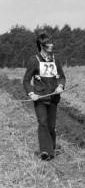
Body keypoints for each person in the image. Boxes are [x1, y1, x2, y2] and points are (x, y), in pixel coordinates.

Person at [23, 31, 66, 161]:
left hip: (53, 98)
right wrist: (31, 93)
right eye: (48, 43)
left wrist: (60, 86)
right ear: (41, 45)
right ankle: (46, 151)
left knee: (51, 126)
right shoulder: (34, 60)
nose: (51, 45)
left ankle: (51, 148)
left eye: (51, 42)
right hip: (40, 99)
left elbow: (62, 77)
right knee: (43, 123)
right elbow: (26, 80)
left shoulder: (55, 59)